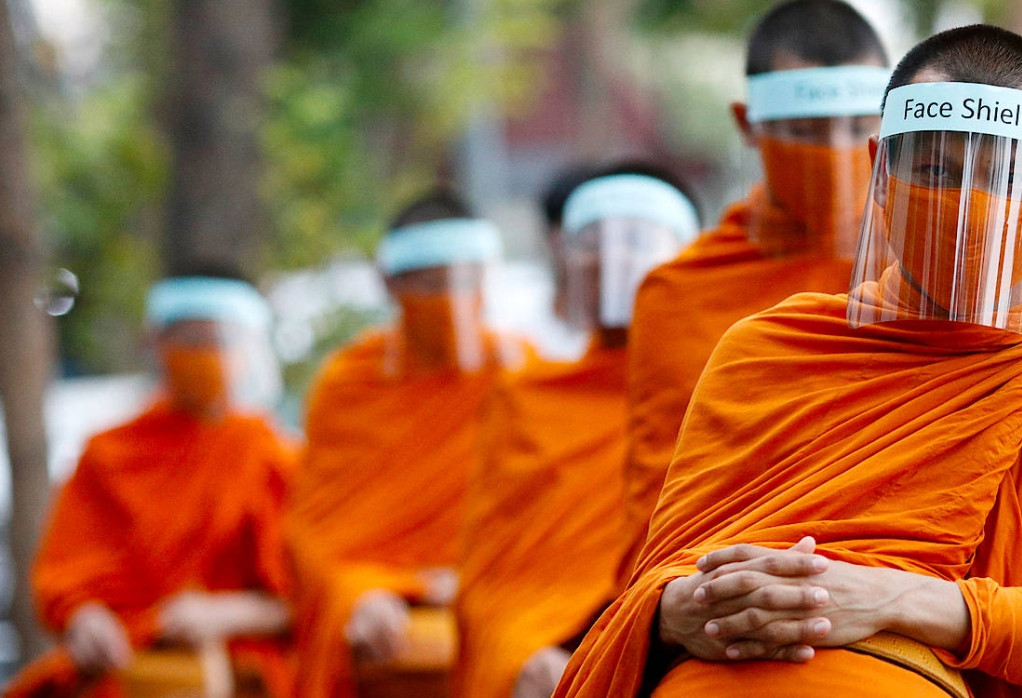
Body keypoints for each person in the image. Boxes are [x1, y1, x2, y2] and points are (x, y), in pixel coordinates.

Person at [557, 25, 1022, 698]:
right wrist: (676, 612)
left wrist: (893, 600)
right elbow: (652, 587)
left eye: (1012, 177)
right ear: (881, 173)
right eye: (936, 171)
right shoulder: (768, 349)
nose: (971, 209)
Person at [622, 0, 891, 575]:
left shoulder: (931, 270)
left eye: (863, 129)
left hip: (895, 581)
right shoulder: (682, 293)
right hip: (718, 585)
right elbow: (657, 501)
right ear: (747, 124)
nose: (839, 154)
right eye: (805, 132)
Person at [453, 165, 699, 698]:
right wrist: (521, 654)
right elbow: (488, 581)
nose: (614, 259)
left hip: (685, 628)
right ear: (565, 264)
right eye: (592, 242)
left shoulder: (723, 381)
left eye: (640, 240)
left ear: (692, 261)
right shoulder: (525, 399)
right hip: (551, 644)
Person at [6, 271, 296, 698]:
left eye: (217, 339)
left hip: (239, 673)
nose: (203, 355)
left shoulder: (272, 457)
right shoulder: (108, 455)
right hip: (124, 667)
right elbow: (64, 578)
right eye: (187, 339)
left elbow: (307, 597)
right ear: (155, 343)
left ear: (250, 348)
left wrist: (227, 614)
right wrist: (86, 619)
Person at [284, 190, 514, 698]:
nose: (452, 302)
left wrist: (474, 581)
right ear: (390, 284)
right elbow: (315, 532)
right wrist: (361, 592)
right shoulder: (349, 385)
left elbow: (544, 522)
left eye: (467, 282)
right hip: (379, 608)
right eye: (431, 285)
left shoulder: (521, 375)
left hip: (490, 603)